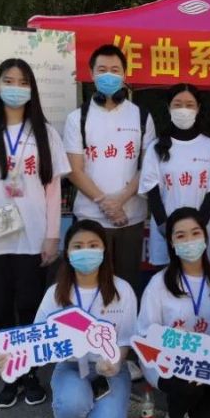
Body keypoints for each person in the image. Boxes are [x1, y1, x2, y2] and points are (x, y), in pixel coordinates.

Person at [0, 57, 70, 408]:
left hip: (33, 236)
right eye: (9, 80)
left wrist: (52, 236)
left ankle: (30, 372)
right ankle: (9, 372)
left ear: (32, 88)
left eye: (23, 82)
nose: (15, 88)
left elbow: (53, 190)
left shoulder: (45, 133)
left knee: (30, 306)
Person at [0, 219, 137, 418]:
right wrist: (11, 356)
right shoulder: (55, 293)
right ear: (67, 253)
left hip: (110, 371)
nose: (86, 251)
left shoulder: (122, 290)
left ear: (104, 250)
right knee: (72, 404)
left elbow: (125, 340)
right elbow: (35, 339)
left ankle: (91, 415)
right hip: (71, 366)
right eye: (78, 246)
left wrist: (115, 361)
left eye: (93, 245)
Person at [137, 207, 210, 418]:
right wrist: (167, 338)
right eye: (181, 236)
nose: (189, 241)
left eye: (195, 233)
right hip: (167, 362)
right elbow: (144, 333)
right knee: (185, 384)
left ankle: (189, 402)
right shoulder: (158, 283)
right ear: (171, 243)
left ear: (205, 237)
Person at [63, 44, 156, 296]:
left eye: (115, 70)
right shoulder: (77, 118)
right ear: (91, 74)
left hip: (130, 218)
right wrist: (105, 203)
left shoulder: (141, 116)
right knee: (90, 287)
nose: (108, 75)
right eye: (102, 69)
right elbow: (74, 170)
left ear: (124, 74)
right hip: (90, 218)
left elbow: (147, 166)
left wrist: (120, 201)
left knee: (127, 287)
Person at [139, 84, 210, 267]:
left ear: (198, 108)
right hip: (165, 232)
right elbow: (152, 192)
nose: (183, 109)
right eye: (177, 104)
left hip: (201, 232)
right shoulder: (156, 147)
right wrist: (168, 230)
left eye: (189, 105)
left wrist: (196, 230)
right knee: (167, 277)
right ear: (168, 108)